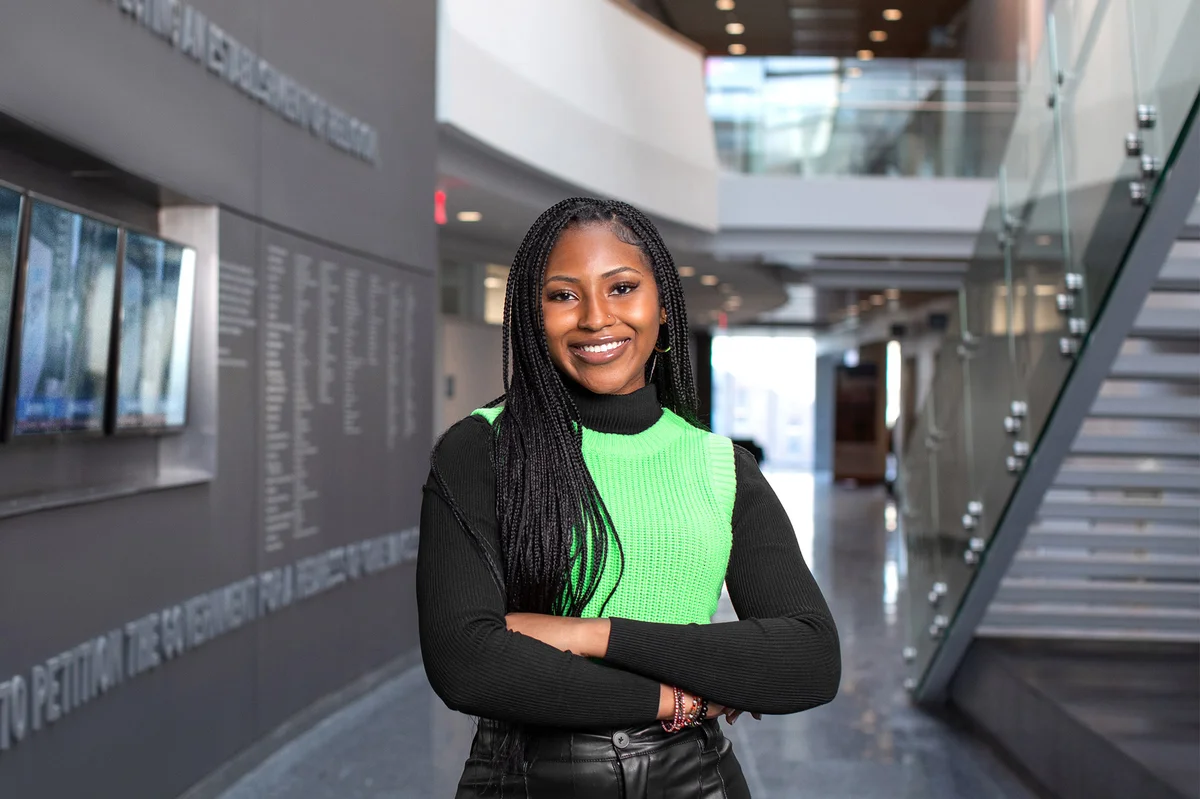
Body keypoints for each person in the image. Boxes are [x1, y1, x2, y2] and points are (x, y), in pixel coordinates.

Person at [418, 197, 840, 798]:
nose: (596, 317)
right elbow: (466, 663)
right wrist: (674, 697)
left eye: (621, 288)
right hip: (527, 782)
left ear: (662, 306)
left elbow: (810, 658)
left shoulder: (720, 465)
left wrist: (589, 634)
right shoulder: (481, 448)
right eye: (563, 295)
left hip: (698, 781)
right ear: (531, 318)